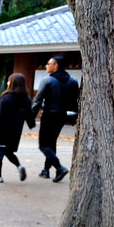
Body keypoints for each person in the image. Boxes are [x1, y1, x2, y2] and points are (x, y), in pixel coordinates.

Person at [31, 54, 79, 182]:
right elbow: (75, 102)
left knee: (43, 145)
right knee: (52, 143)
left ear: (56, 65)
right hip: (62, 117)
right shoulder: (73, 81)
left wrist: (31, 117)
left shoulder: (48, 80)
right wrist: (74, 118)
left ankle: (59, 168)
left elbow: (37, 101)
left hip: (49, 116)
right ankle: (46, 170)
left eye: (49, 63)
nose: (46, 65)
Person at [0, 73, 35, 183]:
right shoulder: (26, 98)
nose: (7, 83)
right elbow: (29, 114)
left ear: (13, 83)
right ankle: (19, 166)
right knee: (8, 151)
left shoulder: (5, 98)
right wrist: (31, 124)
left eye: (9, 81)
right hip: (15, 132)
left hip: (1, 131)